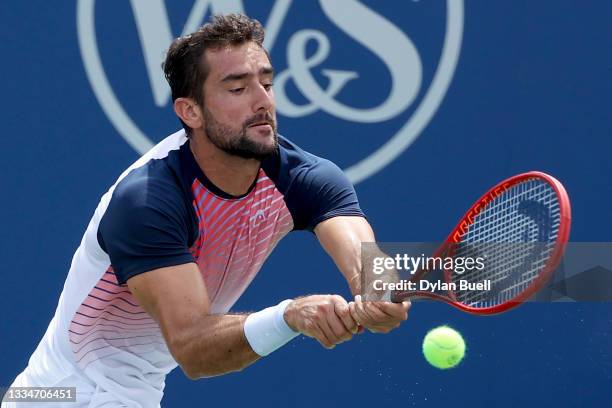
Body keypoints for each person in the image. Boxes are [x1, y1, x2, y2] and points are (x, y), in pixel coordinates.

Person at [2, 13, 410, 407]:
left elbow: (364, 262)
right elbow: (194, 349)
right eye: (237, 89)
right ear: (189, 111)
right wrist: (291, 316)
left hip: (119, 391)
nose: (262, 101)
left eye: (266, 83)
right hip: (68, 395)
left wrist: (380, 290)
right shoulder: (148, 201)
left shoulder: (307, 178)